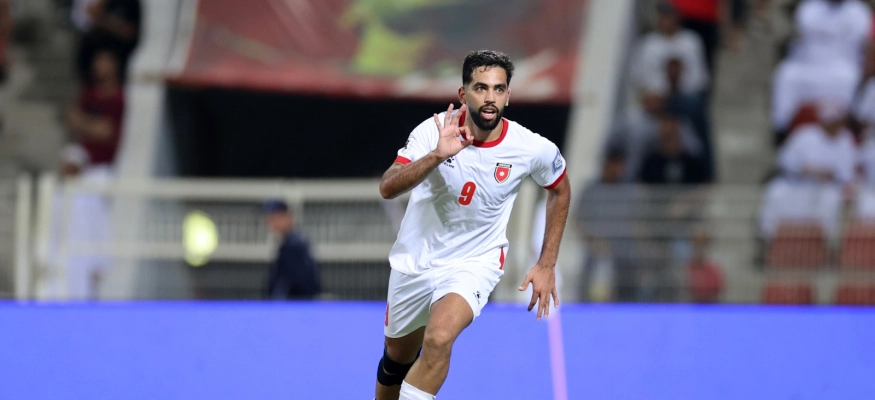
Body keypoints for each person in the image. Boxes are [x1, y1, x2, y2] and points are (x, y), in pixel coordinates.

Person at [374, 50, 570, 400]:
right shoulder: (434, 131)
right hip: (416, 260)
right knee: (396, 359)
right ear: (463, 94)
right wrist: (436, 156)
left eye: (498, 89)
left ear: (508, 95)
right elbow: (388, 187)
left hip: (474, 262)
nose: (490, 97)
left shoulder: (529, 147)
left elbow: (560, 189)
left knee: (439, 338)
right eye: (481, 88)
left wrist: (547, 263)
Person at [263, 200, 321, 300]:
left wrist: (277, 302)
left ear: (288, 217)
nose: (272, 223)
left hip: (294, 305)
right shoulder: (291, 243)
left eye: (276, 218)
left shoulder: (294, 246)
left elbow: (296, 282)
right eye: (270, 219)